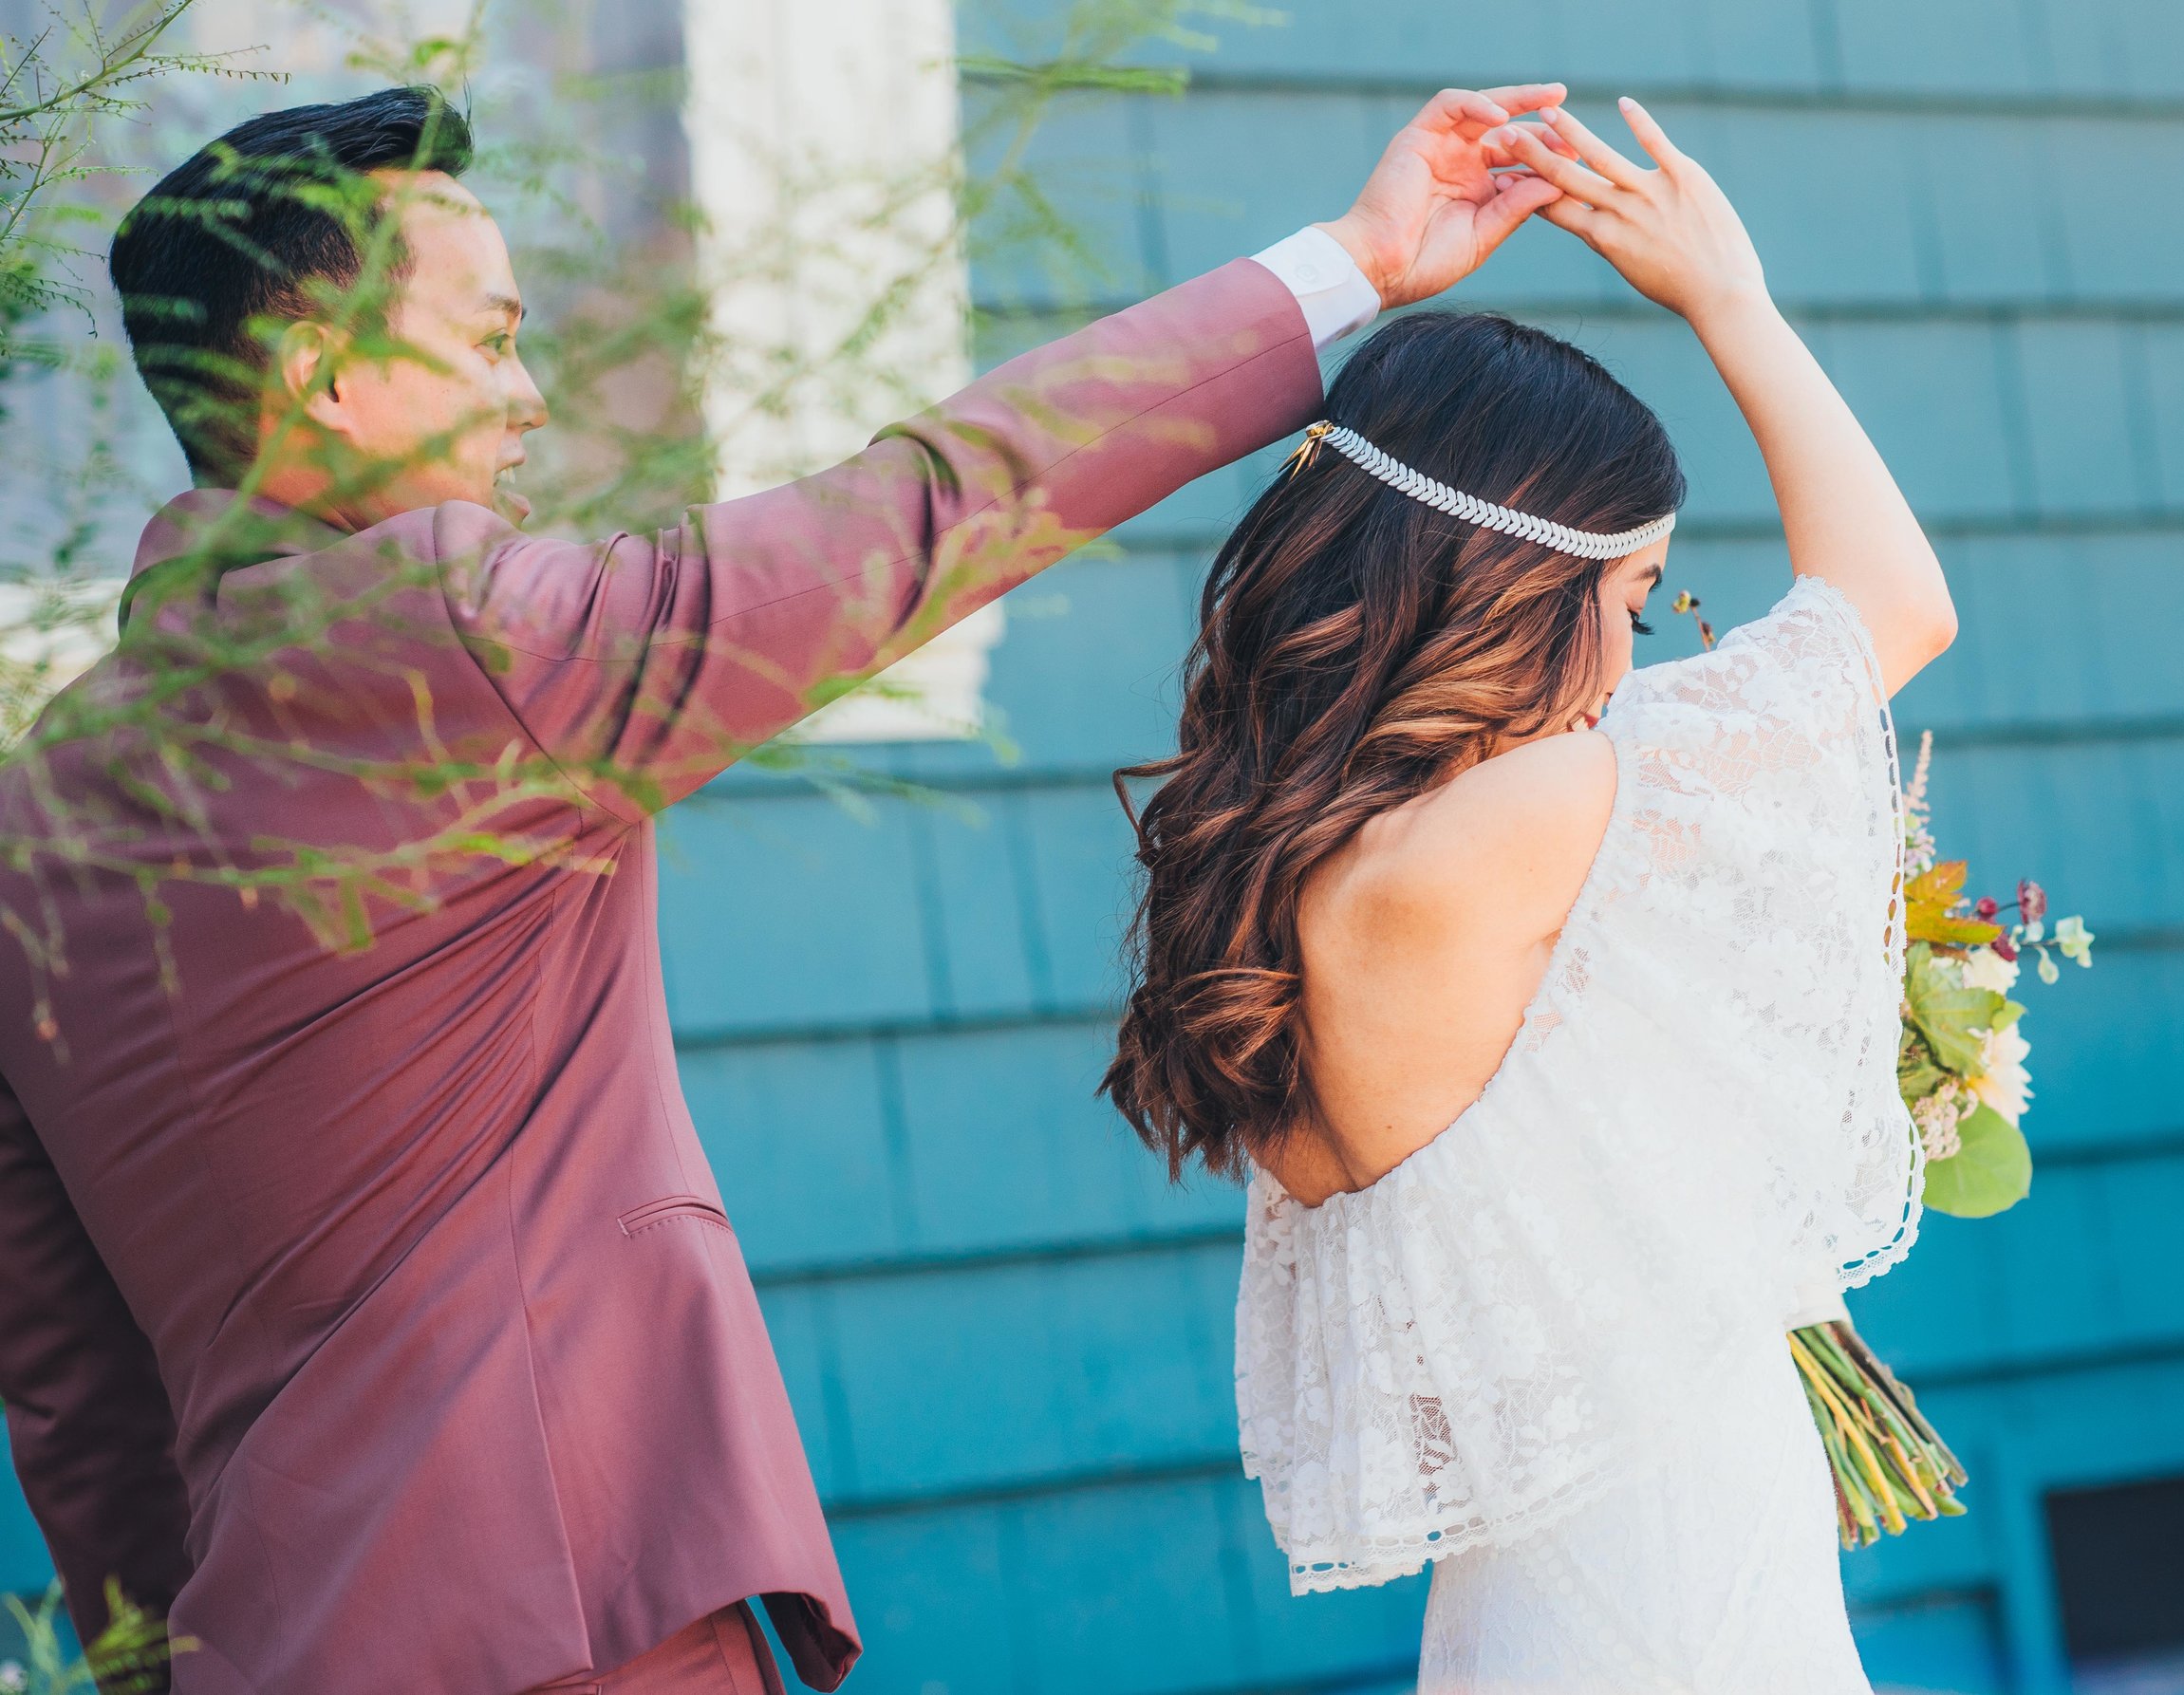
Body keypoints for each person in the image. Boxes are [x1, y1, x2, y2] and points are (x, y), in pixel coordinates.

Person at [0, 79, 1577, 1695]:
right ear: (324, 380)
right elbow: (930, 504)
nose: (529, 396)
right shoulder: (470, 643)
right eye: (484, 342)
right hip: (578, 1626)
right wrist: (1354, 265)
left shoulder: (33, 815)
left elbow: (70, 1387)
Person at [1105, 97, 1959, 1690]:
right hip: (1677, 1596)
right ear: (1515, 586)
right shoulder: (1513, 824)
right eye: (1629, 606)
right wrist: (1731, 301)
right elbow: (1892, 607)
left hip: (1546, 1609)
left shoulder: (1299, 881)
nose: (1628, 664)